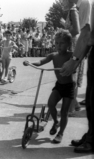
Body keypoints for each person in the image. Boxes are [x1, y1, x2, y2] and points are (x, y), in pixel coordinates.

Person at [25, 29, 75, 143]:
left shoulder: (71, 56)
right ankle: (56, 122)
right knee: (51, 103)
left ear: (68, 44)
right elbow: (41, 62)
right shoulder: (53, 55)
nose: (58, 45)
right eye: (57, 43)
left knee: (64, 112)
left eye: (62, 43)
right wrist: (31, 63)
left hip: (69, 86)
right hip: (59, 85)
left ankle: (60, 133)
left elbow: (77, 62)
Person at [60, 0, 94, 153]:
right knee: (91, 98)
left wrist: (74, 61)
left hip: (86, 46)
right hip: (90, 48)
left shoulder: (85, 3)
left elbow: (84, 32)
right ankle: (91, 135)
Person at [60, 0, 82, 116]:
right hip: (73, 46)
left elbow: (77, 30)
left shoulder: (73, 10)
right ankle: (76, 104)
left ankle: (71, 109)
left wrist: (65, 30)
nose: (62, 3)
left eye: (63, 1)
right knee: (70, 77)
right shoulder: (71, 11)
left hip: (74, 48)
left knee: (71, 78)